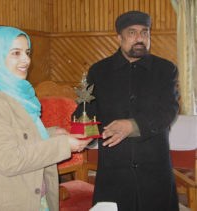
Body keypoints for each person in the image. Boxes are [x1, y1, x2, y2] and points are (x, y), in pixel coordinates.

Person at [0, 26, 92, 211]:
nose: (26, 59)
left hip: (36, 196)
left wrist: (51, 133)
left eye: (27, 52)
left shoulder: (18, 93)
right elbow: (10, 160)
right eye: (15, 53)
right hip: (9, 203)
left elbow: (22, 135)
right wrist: (64, 144)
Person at [73, 11, 179, 211]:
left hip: (154, 170)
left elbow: (168, 110)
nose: (140, 38)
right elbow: (89, 109)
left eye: (144, 32)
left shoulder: (165, 69)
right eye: (132, 32)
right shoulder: (99, 71)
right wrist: (81, 125)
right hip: (114, 172)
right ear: (119, 38)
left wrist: (133, 125)